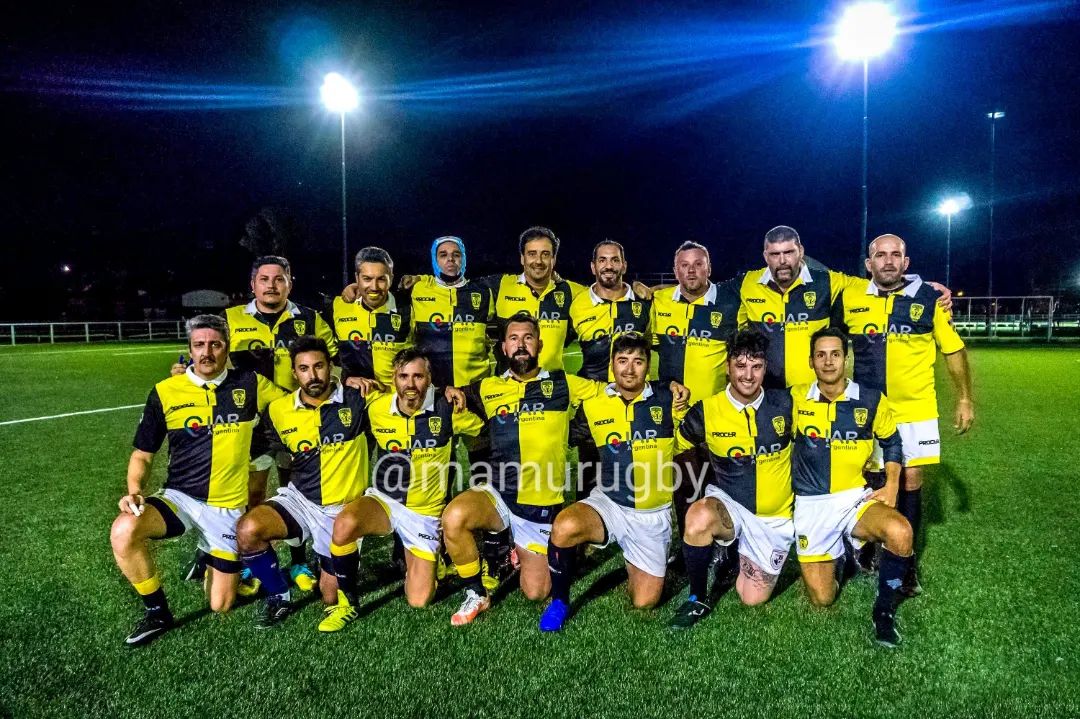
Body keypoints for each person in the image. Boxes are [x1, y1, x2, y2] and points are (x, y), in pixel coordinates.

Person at [109, 315, 286, 646]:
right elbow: (142, 455)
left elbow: (295, 404)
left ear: (227, 348)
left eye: (215, 344)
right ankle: (157, 612)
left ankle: (210, 553)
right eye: (199, 345)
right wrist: (134, 492)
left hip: (228, 507)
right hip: (181, 499)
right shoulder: (165, 391)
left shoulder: (250, 383)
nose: (207, 352)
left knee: (220, 605)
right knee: (124, 530)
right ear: (189, 349)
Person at [833, 234, 974, 594]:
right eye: (881, 255)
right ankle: (863, 547)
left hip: (916, 409)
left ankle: (905, 561)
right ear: (869, 264)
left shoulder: (928, 300)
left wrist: (964, 399)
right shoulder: (850, 298)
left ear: (906, 263)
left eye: (896, 255)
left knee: (910, 481)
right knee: (871, 480)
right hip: (869, 409)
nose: (889, 261)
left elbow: (953, 350)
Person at [318, 349, 485, 632]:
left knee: (419, 599)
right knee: (345, 523)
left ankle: (435, 556)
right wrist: (346, 379)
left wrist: (459, 393)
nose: (410, 384)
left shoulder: (447, 409)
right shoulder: (376, 407)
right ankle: (348, 605)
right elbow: (329, 393)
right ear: (393, 379)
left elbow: (484, 426)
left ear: (429, 379)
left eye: (418, 376)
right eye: (403, 376)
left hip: (423, 513)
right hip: (384, 501)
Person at [539, 333, 685, 631]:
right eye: (622, 361)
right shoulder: (594, 404)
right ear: (611, 365)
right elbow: (566, 437)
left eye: (638, 361)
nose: (629, 369)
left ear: (648, 366)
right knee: (565, 527)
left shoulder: (667, 398)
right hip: (610, 504)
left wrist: (674, 387)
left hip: (652, 515)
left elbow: (688, 437)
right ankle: (559, 601)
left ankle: (639, 556)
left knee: (644, 602)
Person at [234, 337, 371, 629]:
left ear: (330, 367)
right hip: (301, 499)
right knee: (248, 530)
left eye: (319, 366)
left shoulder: (357, 399)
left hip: (342, 511)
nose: (313, 375)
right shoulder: (278, 410)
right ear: (295, 373)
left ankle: (332, 561)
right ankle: (278, 594)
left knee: (330, 597)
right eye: (304, 369)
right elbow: (257, 444)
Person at [790, 327, 914, 647]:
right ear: (810, 362)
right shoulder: (793, 398)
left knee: (901, 532)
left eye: (835, 354)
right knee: (823, 598)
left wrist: (891, 485)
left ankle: (883, 611)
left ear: (846, 359)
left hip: (852, 499)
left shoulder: (870, 399)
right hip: (811, 504)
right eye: (821, 355)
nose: (828, 362)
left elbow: (892, 441)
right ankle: (845, 552)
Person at [219, 255, 337, 590]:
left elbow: (334, 362)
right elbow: (209, 359)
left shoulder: (310, 319)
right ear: (252, 284)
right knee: (253, 496)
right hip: (252, 426)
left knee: (296, 493)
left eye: (279, 279)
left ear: (290, 283)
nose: (272, 285)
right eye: (265, 279)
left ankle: (299, 565)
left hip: (296, 424)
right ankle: (253, 561)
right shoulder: (231, 320)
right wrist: (183, 368)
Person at [668, 329, 795, 629]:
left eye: (756, 366)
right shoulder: (707, 411)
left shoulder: (787, 404)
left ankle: (732, 552)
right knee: (698, 518)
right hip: (730, 504)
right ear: (727, 367)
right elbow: (676, 444)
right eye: (740, 365)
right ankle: (697, 597)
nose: (748, 375)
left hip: (773, 518)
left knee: (751, 597)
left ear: (765, 368)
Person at [738, 225, 951, 390]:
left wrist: (924, 288)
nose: (783, 260)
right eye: (775, 254)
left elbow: (883, 282)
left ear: (800, 251)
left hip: (814, 393)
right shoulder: (747, 283)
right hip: (766, 392)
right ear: (766, 256)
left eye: (789, 252)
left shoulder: (828, 281)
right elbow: (710, 291)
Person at [650, 241, 741, 553]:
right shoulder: (660, 301)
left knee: (720, 483)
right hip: (675, 414)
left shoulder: (730, 302)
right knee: (684, 483)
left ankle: (726, 546)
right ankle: (688, 543)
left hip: (716, 414)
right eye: (685, 265)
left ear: (709, 267)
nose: (691, 270)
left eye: (698, 263)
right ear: (675, 271)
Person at [567, 240, 652, 500]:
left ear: (624, 265)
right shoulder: (577, 303)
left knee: (632, 474)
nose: (609, 266)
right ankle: (584, 534)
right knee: (588, 475)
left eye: (615, 260)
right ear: (593, 266)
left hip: (632, 402)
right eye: (602, 260)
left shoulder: (643, 302)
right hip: (593, 401)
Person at [327, 247, 412, 386]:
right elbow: (323, 357)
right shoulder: (337, 307)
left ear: (391, 278)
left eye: (381, 279)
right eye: (367, 278)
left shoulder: (409, 309)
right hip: (356, 400)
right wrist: (343, 378)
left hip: (396, 401)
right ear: (357, 278)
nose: (374, 287)